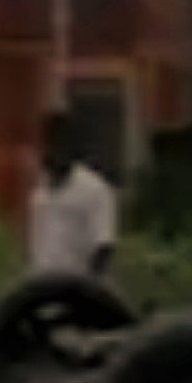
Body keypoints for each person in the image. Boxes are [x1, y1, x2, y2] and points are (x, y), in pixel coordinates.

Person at [26, 113, 119, 280]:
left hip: (76, 290)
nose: (50, 151)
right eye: (46, 144)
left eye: (57, 144)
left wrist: (87, 291)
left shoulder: (95, 190)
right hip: (43, 290)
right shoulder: (40, 193)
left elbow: (103, 247)